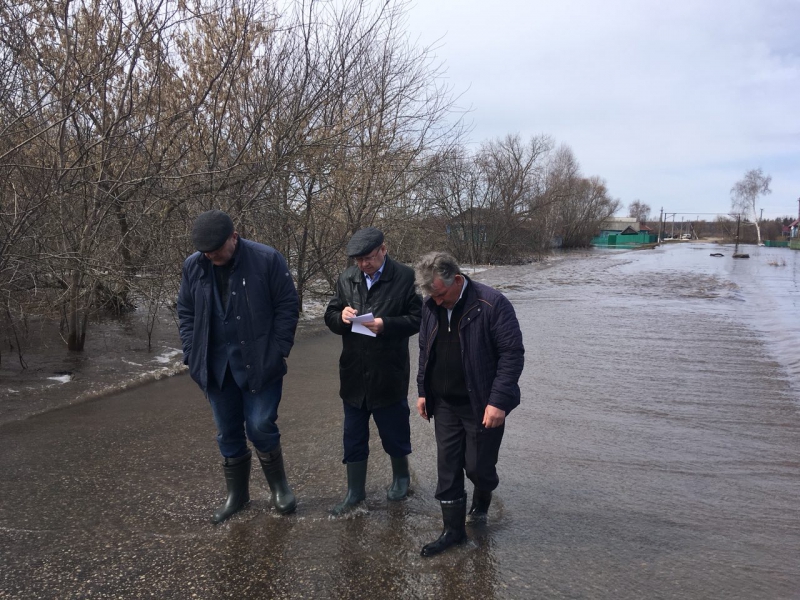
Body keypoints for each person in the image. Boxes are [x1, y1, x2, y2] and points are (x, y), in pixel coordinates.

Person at [177, 209, 299, 524]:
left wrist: (279, 349)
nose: (211, 255)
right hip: (214, 366)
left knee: (259, 425)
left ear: (234, 236)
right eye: (206, 252)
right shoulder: (194, 265)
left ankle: (279, 488)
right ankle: (238, 496)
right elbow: (186, 311)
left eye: (217, 249)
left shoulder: (267, 259)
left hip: (260, 361)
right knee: (227, 432)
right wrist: (191, 353)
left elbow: (287, 304)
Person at [414, 251, 524, 556]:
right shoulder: (430, 305)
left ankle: (482, 496)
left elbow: (512, 355)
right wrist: (423, 391)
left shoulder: (492, 304)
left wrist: (498, 402)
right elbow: (425, 349)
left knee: (478, 466)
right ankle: (453, 532)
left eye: (439, 293)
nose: (435, 300)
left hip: (482, 402)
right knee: (447, 467)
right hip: (445, 401)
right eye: (429, 294)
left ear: (457, 279)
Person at [324, 227, 422, 515]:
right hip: (354, 371)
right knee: (353, 435)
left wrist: (386, 325)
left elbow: (419, 318)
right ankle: (354, 492)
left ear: (384, 249)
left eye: (368, 257)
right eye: (358, 259)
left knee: (394, 429)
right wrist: (340, 318)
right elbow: (329, 315)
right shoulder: (346, 278)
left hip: (388, 370)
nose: (363, 264)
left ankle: (401, 478)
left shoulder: (406, 277)